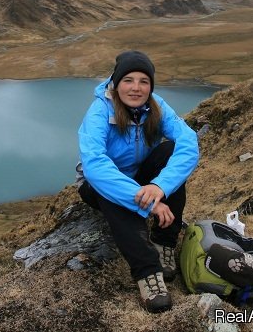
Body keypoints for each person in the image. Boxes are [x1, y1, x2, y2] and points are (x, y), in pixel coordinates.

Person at [76, 50, 199, 313]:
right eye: (128, 80)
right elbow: (96, 166)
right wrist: (148, 204)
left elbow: (188, 141)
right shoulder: (99, 111)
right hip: (98, 184)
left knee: (168, 153)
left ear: (151, 86)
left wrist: (159, 187)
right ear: (116, 83)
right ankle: (147, 272)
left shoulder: (157, 106)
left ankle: (164, 241)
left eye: (144, 81)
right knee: (108, 193)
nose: (136, 88)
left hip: (140, 177)